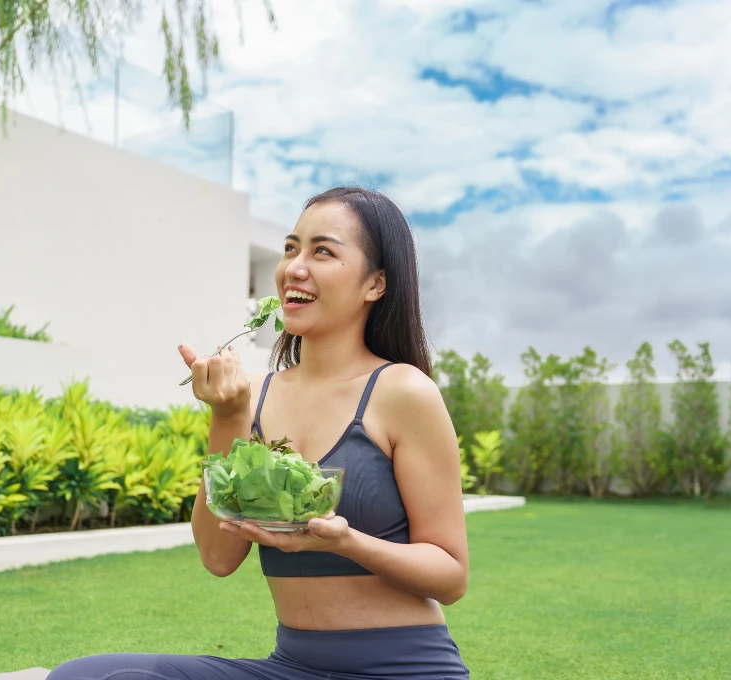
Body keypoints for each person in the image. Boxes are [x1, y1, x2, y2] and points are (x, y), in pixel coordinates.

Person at [46, 186, 471, 680]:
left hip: (401, 669)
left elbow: (451, 575)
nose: (294, 266)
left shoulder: (402, 391)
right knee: (82, 676)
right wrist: (228, 416)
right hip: (292, 666)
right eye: (291, 248)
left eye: (323, 251)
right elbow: (218, 556)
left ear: (375, 284)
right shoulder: (253, 394)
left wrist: (345, 542)